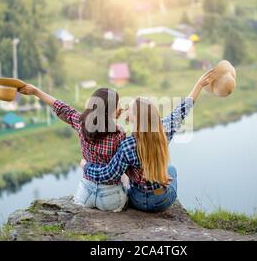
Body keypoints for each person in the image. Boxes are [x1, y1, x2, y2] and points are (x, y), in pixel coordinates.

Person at [81, 70, 216, 212]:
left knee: (133, 173)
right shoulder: (163, 131)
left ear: (135, 117)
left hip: (137, 200)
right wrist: (199, 85)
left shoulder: (126, 145)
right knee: (171, 169)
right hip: (162, 200)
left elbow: (109, 173)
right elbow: (182, 110)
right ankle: (158, 181)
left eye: (129, 109)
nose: (125, 109)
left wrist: (86, 166)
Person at [18, 86, 128, 212]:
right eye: (118, 104)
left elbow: (61, 107)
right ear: (109, 110)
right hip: (110, 196)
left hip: (85, 194)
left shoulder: (81, 123)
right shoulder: (119, 134)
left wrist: (36, 92)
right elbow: (119, 169)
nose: (120, 107)